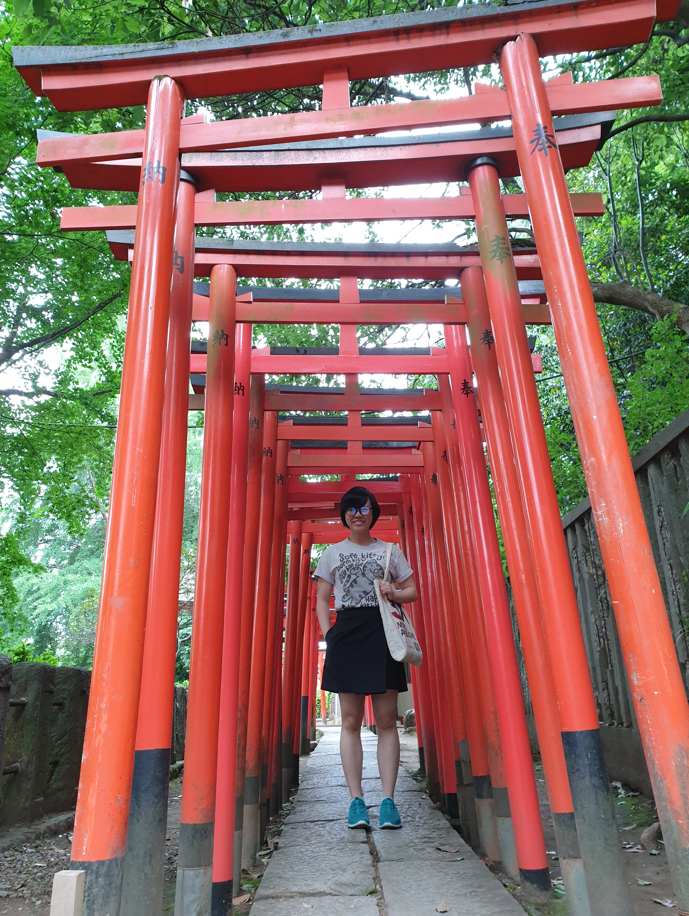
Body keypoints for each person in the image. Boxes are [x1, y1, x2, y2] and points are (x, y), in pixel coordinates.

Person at [314, 485, 418, 831]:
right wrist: (329, 634)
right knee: (350, 720)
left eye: (364, 509)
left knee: (386, 719)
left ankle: (388, 801)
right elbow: (322, 598)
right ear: (344, 515)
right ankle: (356, 801)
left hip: (382, 630)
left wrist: (394, 592)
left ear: (373, 513)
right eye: (352, 509)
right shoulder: (331, 554)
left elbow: (412, 591)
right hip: (346, 632)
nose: (357, 514)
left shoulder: (390, 551)